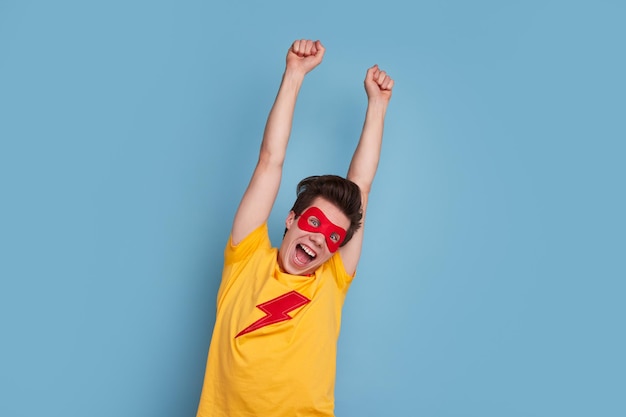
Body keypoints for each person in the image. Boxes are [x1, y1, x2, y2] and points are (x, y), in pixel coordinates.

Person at [196, 39, 394, 417]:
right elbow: (270, 160)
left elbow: (362, 185)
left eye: (333, 237)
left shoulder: (331, 281)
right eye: (314, 223)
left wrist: (378, 106)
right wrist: (294, 74)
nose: (319, 239)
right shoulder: (246, 258)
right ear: (291, 218)